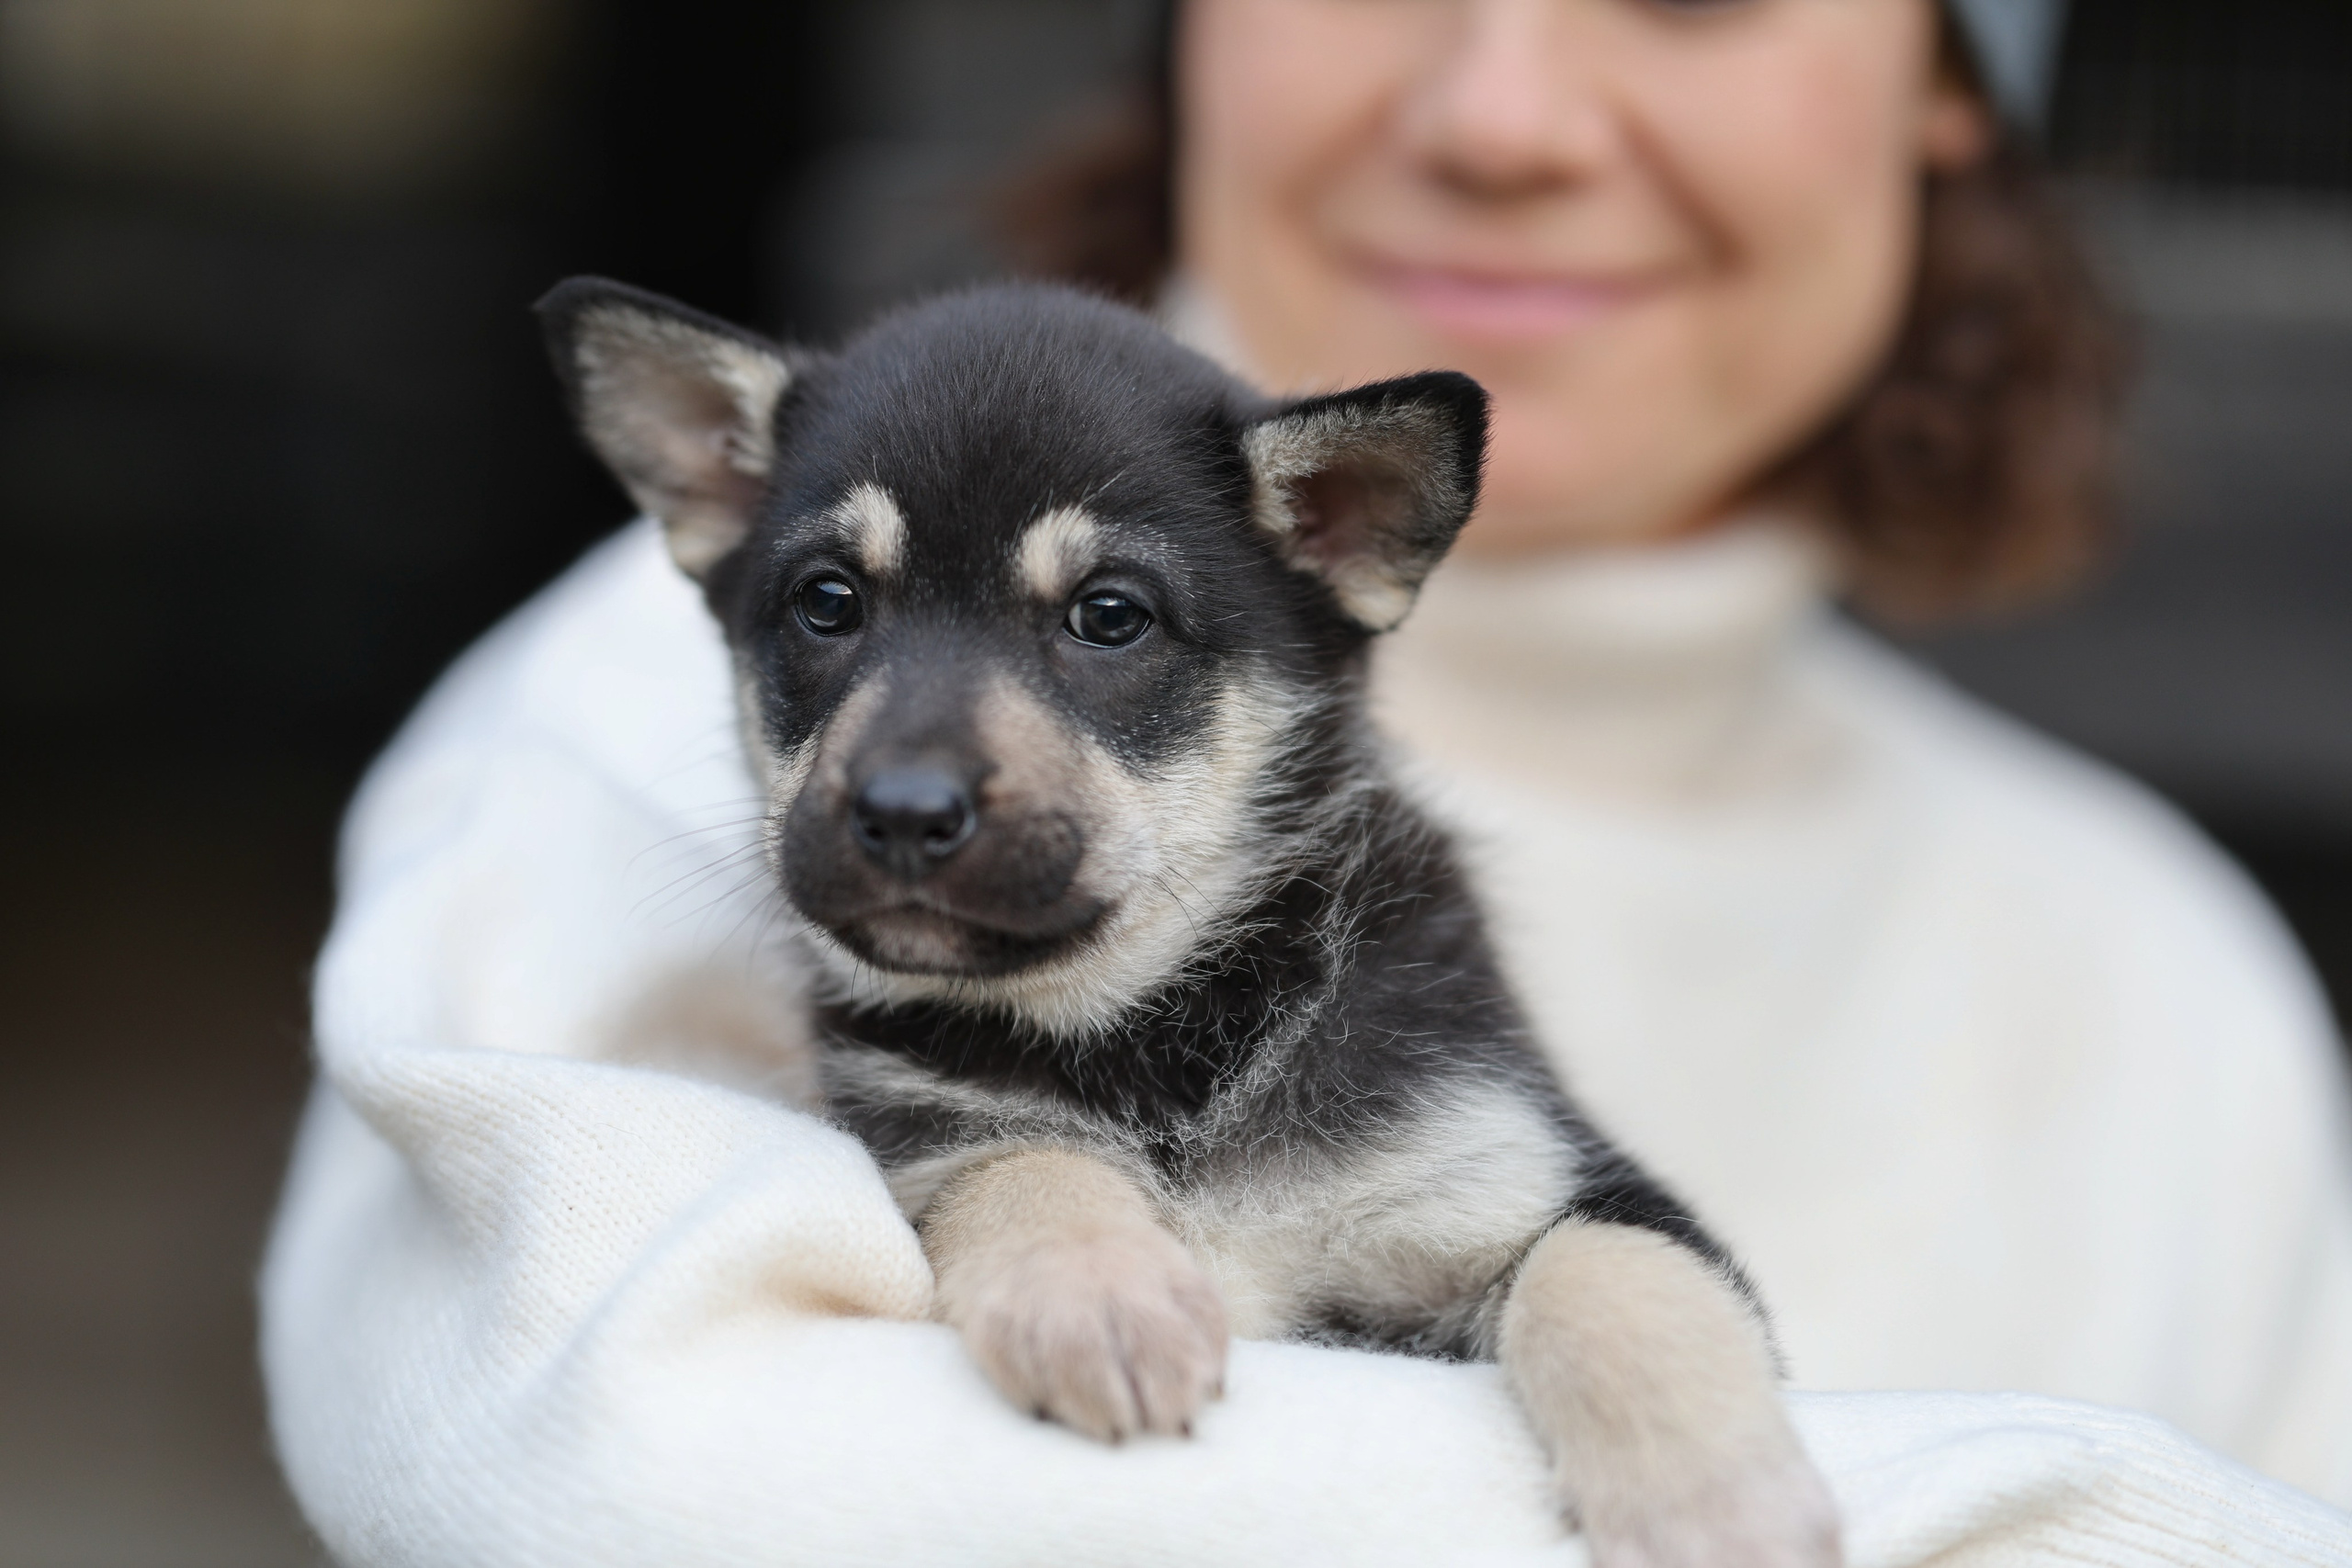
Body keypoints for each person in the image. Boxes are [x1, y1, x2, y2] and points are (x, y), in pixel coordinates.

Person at [261, 1, 2352, 1561]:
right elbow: (631, 1477)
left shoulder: (2164, 976)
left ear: (1942, 83)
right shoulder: (595, 742)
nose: (1501, 110)